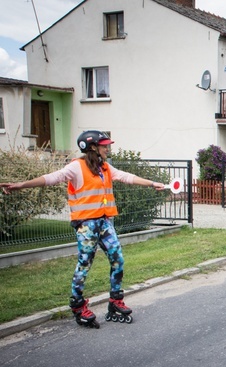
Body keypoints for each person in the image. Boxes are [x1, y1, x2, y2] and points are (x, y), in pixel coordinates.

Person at [0, 130, 166, 328]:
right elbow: (51, 177)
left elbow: (125, 176)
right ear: (93, 147)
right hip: (86, 224)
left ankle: (115, 301)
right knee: (85, 262)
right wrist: (21, 185)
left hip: (105, 222)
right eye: (104, 145)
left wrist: (152, 183)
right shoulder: (76, 167)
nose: (107, 148)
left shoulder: (105, 168)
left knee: (117, 259)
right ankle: (78, 305)